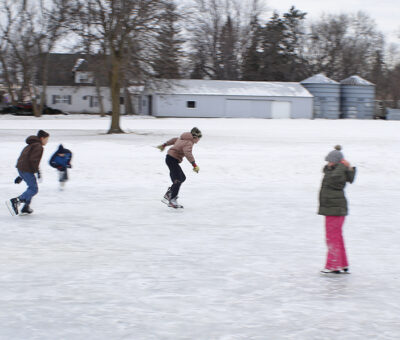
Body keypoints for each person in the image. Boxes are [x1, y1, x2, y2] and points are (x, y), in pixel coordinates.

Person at [318, 145, 356, 274]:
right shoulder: (336, 171)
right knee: (337, 237)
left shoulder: (338, 174)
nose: (328, 164)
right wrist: (344, 166)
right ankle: (343, 264)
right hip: (333, 209)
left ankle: (333, 265)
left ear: (337, 162)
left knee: (332, 238)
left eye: (330, 161)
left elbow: (334, 180)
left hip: (335, 209)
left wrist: (343, 166)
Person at [7, 130, 50, 215]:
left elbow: (24, 159)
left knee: (31, 187)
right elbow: (33, 160)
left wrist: (21, 176)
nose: (47, 141)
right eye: (46, 139)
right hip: (27, 169)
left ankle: (26, 207)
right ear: (42, 138)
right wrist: (38, 172)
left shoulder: (31, 144)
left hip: (22, 168)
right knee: (33, 189)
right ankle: (16, 201)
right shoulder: (38, 147)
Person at [157, 127, 202, 208]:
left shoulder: (182, 138)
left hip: (170, 158)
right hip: (172, 159)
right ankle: (172, 200)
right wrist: (194, 165)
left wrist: (164, 145)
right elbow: (188, 153)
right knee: (177, 180)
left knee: (182, 178)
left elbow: (173, 140)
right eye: (199, 138)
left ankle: (169, 194)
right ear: (195, 137)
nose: (199, 140)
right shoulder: (189, 142)